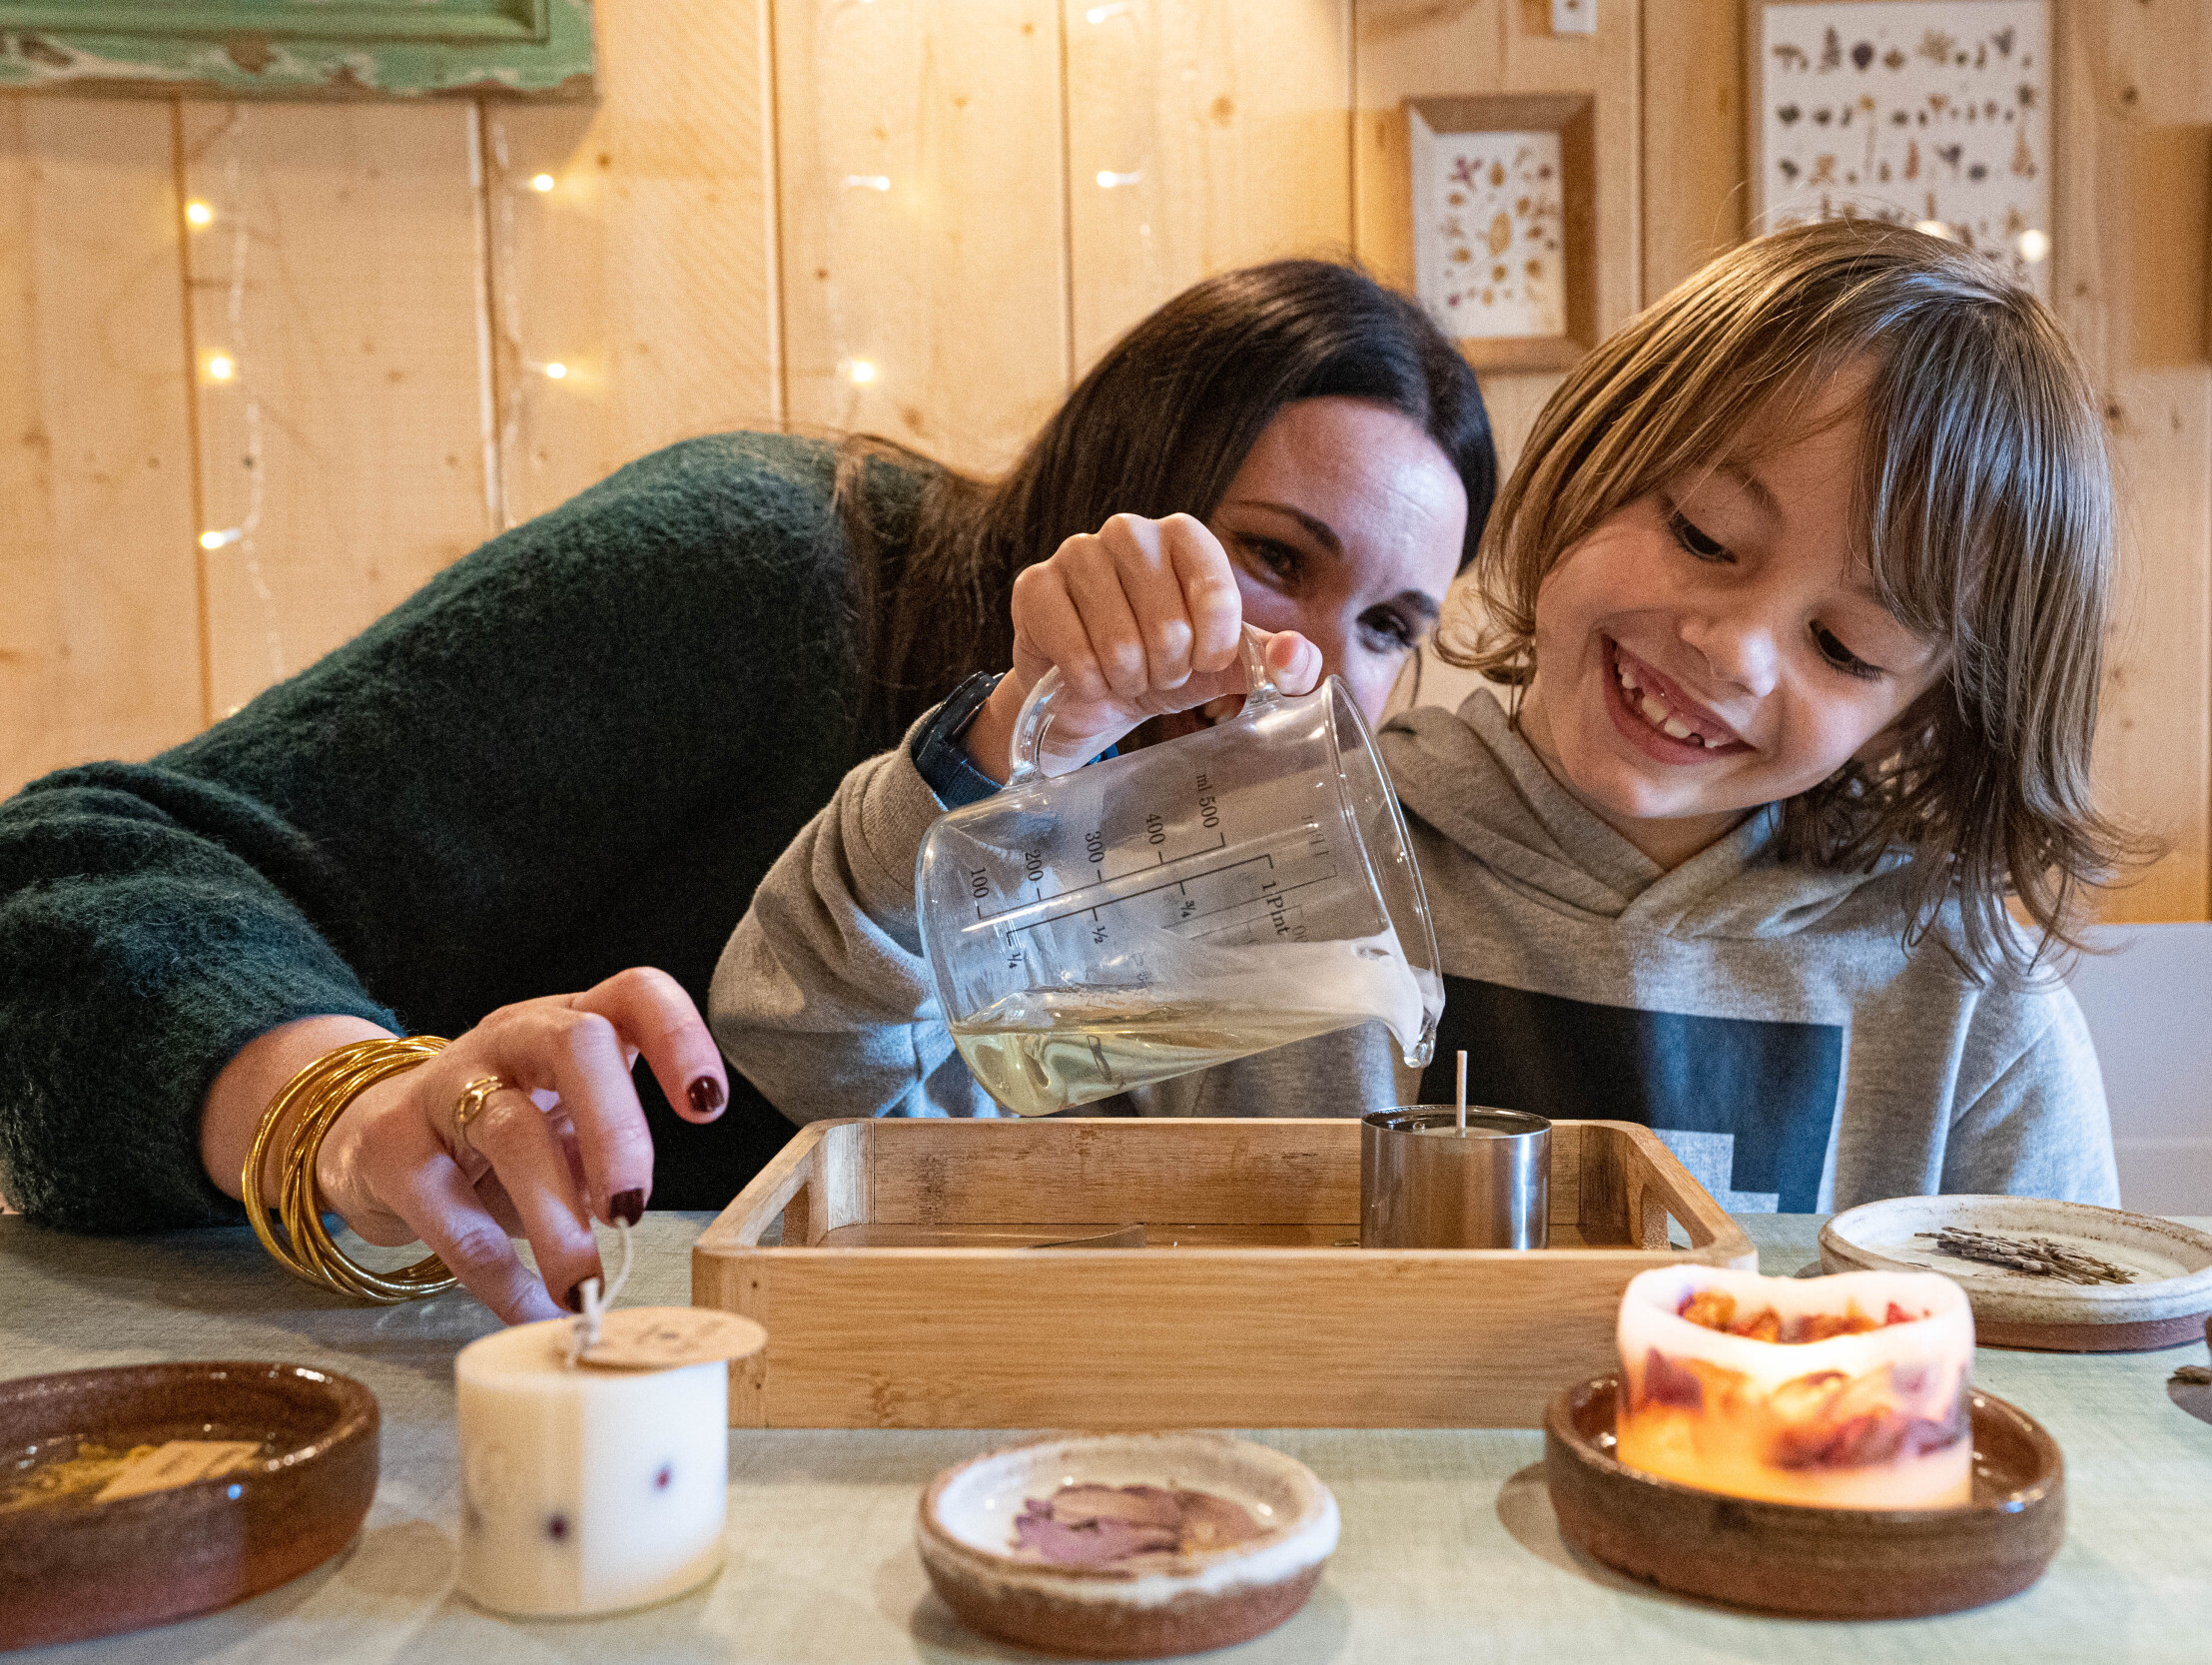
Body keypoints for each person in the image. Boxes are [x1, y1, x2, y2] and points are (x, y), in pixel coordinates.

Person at [0, 260, 1496, 1322]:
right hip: (385, 1362)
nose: (1306, 671)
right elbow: (67, 868)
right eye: (1273, 558)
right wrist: (345, 1106)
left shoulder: (1214, 860)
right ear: (1122, 477)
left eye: (1388, 628)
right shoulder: (768, 571)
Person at [712, 220, 2139, 1213]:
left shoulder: (1963, 1004)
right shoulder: (1265, 848)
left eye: (1844, 644)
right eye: (1704, 535)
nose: (1734, 650)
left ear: (1923, 714)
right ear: (1591, 470)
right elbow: (818, 1052)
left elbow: (2071, 1390)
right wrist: (992, 750)